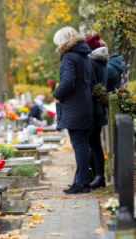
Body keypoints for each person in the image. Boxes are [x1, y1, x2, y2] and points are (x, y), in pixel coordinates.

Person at [53, 27, 93, 194]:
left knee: (79, 145)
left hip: (75, 106)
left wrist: (56, 94)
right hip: (84, 104)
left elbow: (68, 81)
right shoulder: (84, 55)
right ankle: (81, 180)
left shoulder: (69, 56)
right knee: (82, 144)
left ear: (63, 40)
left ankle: (83, 182)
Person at [85, 34, 109, 189]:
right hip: (99, 108)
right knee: (94, 143)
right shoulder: (102, 62)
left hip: (93, 108)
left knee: (94, 143)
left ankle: (98, 176)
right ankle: (98, 177)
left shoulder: (92, 64)